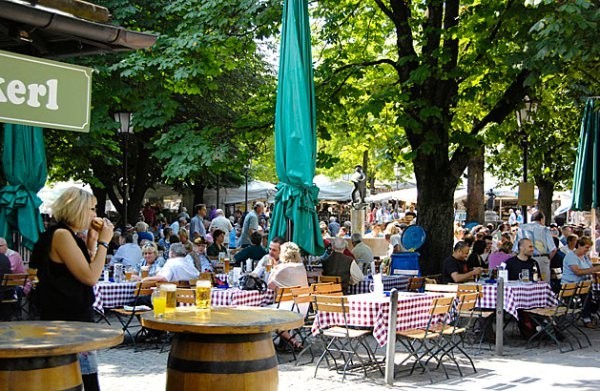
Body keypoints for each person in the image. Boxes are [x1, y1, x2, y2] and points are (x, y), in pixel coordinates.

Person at [29, 187, 114, 390]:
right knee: (83, 380)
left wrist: (92, 242)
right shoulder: (61, 235)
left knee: (86, 377)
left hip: (69, 317)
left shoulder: (67, 234)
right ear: (79, 209)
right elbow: (91, 277)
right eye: (92, 209)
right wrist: (104, 242)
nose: (95, 214)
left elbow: (84, 269)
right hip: (68, 321)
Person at [267, 242, 308, 351]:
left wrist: (273, 268)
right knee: (274, 316)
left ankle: (292, 341)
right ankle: (290, 341)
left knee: (264, 314)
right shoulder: (301, 267)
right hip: (304, 307)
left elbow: (269, 285)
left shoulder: (282, 268)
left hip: (289, 310)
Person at [561, 236, 600, 328]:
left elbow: (589, 268)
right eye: (586, 247)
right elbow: (577, 272)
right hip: (570, 285)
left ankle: (591, 313)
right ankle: (587, 317)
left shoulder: (585, 257)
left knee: (596, 293)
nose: (587, 250)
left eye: (589, 248)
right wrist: (594, 269)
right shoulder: (571, 256)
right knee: (587, 294)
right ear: (579, 245)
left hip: (583, 284)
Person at [513, 211, 556, 282]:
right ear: (542, 219)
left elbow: (515, 249)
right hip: (541, 259)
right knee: (543, 285)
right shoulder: (544, 229)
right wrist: (547, 259)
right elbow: (553, 249)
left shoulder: (522, 229)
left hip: (524, 259)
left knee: (525, 282)